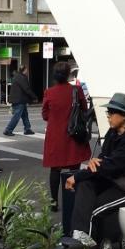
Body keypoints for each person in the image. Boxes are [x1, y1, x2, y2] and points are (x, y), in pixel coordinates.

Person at [65, 92, 125, 247]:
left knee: (95, 210)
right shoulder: (113, 132)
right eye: (108, 112)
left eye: (112, 113)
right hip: (114, 180)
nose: (108, 116)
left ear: (124, 116)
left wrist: (78, 175)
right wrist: (92, 165)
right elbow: (103, 158)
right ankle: (80, 234)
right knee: (85, 183)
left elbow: (114, 165)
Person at [42, 62, 91, 212]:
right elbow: (84, 109)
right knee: (74, 167)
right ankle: (72, 199)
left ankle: (54, 202)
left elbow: (45, 115)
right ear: (69, 74)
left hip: (55, 135)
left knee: (55, 169)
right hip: (73, 134)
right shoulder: (76, 91)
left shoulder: (49, 92)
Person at [3, 65, 37, 136]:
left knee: (25, 115)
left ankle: (27, 129)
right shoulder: (22, 78)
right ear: (24, 70)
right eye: (26, 70)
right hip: (19, 100)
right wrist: (34, 97)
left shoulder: (16, 76)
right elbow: (26, 89)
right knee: (16, 116)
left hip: (18, 99)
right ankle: (8, 129)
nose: (27, 71)